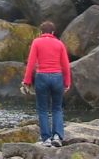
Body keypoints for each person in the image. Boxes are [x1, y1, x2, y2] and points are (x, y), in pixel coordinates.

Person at [22, 20, 71, 148]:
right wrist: (67, 82)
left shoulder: (36, 42)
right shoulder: (59, 44)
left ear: (41, 32)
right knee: (57, 108)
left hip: (42, 77)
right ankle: (57, 136)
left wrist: (27, 81)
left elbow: (31, 63)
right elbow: (66, 65)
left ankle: (46, 139)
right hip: (57, 77)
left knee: (43, 109)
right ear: (53, 32)